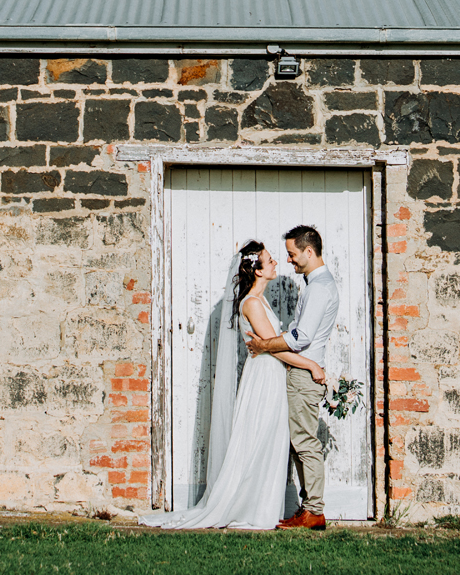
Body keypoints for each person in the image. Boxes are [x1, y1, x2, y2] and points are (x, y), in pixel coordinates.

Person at [139, 240, 325, 531]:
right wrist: (312, 365)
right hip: (265, 377)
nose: (276, 263)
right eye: (270, 260)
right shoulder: (252, 303)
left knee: (268, 442)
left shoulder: (258, 302)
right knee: (259, 441)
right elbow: (273, 348)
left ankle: (260, 505)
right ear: (258, 271)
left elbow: (270, 344)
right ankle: (250, 506)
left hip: (270, 374)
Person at [245, 225, 340, 530]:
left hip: (303, 373)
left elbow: (300, 337)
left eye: (292, 254)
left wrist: (264, 345)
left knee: (304, 443)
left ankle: (313, 510)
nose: (289, 261)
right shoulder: (315, 285)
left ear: (308, 252)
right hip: (299, 371)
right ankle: (308, 508)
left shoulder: (320, 287)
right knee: (300, 443)